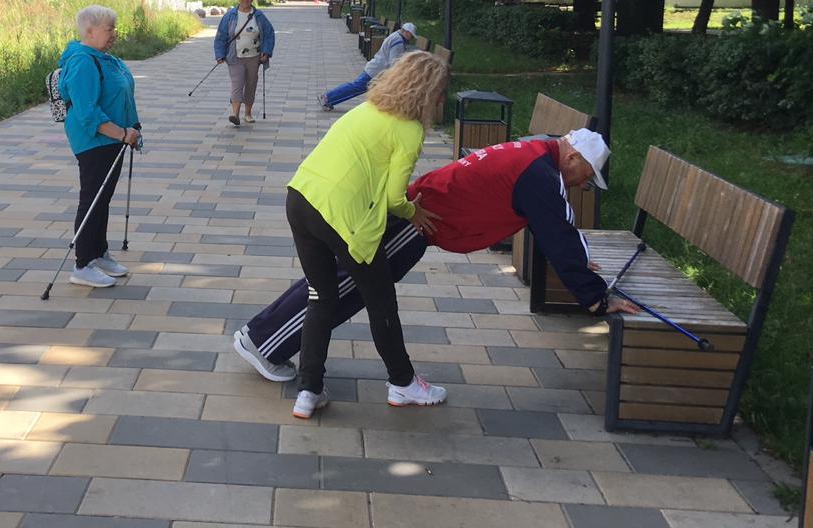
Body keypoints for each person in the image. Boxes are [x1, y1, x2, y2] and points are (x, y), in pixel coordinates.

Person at [233, 129, 641, 382]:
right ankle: (264, 342)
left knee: (337, 282)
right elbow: (559, 230)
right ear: (572, 158)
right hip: (416, 221)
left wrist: (581, 260)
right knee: (342, 287)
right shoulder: (541, 174)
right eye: (584, 179)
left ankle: (262, 336)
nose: (580, 186)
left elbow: (560, 227)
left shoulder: (537, 150)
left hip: (418, 212)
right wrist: (596, 297)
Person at [285, 51, 450, 419]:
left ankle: (308, 391)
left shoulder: (366, 109)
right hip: (343, 218)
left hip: (300, 199)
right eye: (439, 91)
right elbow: (394, 199)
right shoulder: (408, 130)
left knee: (321, 297)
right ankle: (403, 383)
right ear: (424, 91)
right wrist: (415, 212)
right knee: (380, 300)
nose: (442, 100)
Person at [58, 5, 141, 289]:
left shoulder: (105, 58)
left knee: (102, 199)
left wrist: (133, 129)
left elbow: (122, 95)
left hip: (113, 140)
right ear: (90, 31)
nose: (114, 34)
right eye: (109, 29)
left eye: (114, 28)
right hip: (95, 141)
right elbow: (87, 113)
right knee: (92, 198)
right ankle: (82, 263)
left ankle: (98, 253)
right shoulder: (83, 62)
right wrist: (120, 133)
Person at [213, 0, 276, 126]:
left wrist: (266, 51)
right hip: (235, 57)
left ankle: (248, 113)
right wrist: (219, 54)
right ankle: (235, 113)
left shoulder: (258, 16)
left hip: (254, 57)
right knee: (237, 84)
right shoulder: (230, 15)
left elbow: (270, 34)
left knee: (251, 85)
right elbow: (221, 36)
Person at [318, 23, 419, 110]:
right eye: (411, 35)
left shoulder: (395, 36)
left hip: (376, 68)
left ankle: (328, 99)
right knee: (357, 87)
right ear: (406, 32)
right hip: (377, 70)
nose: (411, 38)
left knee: (359, 87)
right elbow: (394, 61)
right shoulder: (398, 42)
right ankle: (327, 98)